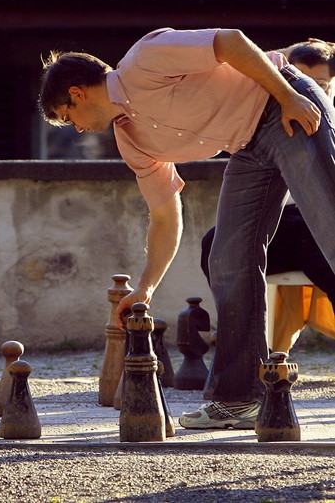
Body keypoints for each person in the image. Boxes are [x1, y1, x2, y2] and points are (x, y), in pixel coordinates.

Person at [38, 28, 335, 430]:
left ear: (77, 93)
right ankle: (239, 400)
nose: (76, 129)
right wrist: (145, 287)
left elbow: (230, 42)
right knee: (228, 258)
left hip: (284, 104)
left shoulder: (146, 57)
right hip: (248, 147)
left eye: (68, 118)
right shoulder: (132, 142)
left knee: (329, 227)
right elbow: (164, 215)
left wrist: (287, 95)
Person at [200, 41, 335, 300]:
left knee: (321, 253)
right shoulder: (273, 116)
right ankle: (242, 334)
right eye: (300, 79)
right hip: (284, 223)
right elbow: (254, 60)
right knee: (215, 244)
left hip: (323, 223)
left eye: (321, 83)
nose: (311, 90)